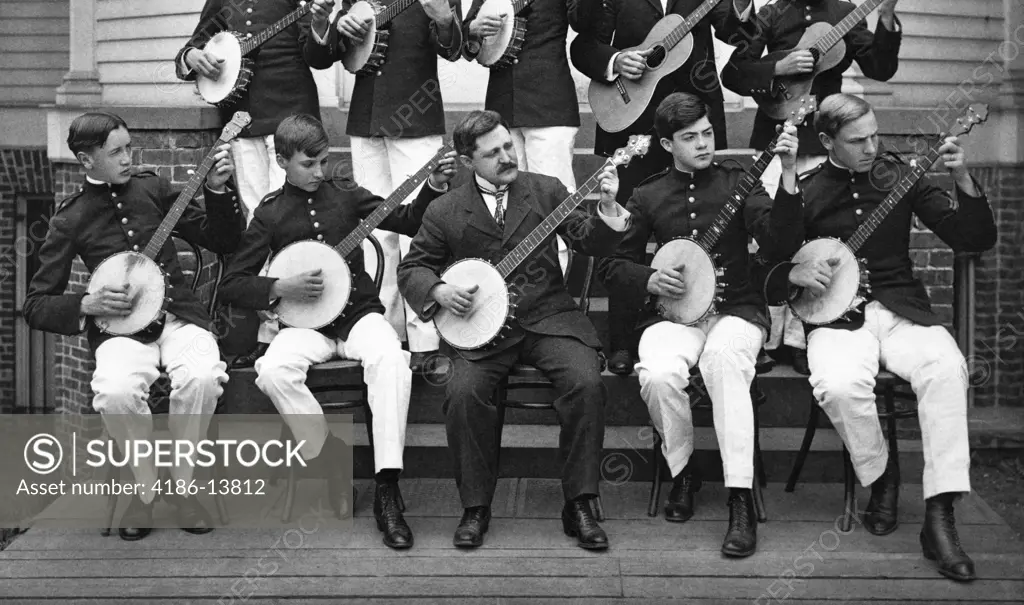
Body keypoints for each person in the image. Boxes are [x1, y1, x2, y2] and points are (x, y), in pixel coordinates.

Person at [762, 93, 996, 583]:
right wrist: (786, 184)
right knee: (839, 386)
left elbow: (972, 238)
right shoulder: (807, 188)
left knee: (946, 368)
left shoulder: (899, 177)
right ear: (826, 142)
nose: (871, 147)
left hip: (902, 311)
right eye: (857, 140)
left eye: (875, 135)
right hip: (838, 321)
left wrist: (961, 178)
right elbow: (777, 259)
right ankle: (881, 476)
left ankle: (940, 515)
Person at [217, 114, 456, 550]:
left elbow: (405, 219)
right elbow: (233, 282)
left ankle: (388, 487)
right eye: (309, 164)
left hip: (357, 315)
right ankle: (328, 463)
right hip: (304, 326)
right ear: (282, 159)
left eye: (324, 161)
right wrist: (278, 288)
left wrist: (434, 185)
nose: (319, 172)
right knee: (272, 371)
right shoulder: (270, 213)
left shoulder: (345, 194)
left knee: (390, 359)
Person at [397, 110, 630, 551]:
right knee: (464, 394)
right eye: (493, 152)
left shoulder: (547, 190)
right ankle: (476, 506)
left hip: (549, 320)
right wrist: (440, 290)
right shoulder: (445, 209)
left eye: (508, 145)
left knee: (585, 382)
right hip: (482, 333)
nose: (507, 156)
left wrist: (607, 209)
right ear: (467, 161)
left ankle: (579, 502)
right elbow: (413, 268)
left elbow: (588, 240)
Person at [598, 93, 802, 558]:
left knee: (724, 359)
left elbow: (779, 242)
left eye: (707, 133)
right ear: (667, 144)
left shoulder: (740, 180)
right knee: (659, 373)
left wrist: (788, 175)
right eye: (690, 138)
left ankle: (739, 496)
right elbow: (614, 266)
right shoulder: (648, 194)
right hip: (674, 315)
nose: (704, 144)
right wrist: (650, 278)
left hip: (736, 311)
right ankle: (683, 471)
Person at [23, 112, 243, 541]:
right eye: (116, 152)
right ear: (86, 161)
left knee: (202, 376)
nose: (128, 158)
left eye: (129, 148)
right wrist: (85, 302)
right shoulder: (70, 219)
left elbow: (225, 241)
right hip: (119, 331)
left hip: (179, 319)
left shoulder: (152, 189)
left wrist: (218, 190)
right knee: (116, 392)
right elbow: (35, 305)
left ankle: (181, 486)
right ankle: (143, 491)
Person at [569, 0, 758, 375]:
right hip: (630, 125)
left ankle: (707, 323)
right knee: (622, 239)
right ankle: (620, 342)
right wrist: (616, 61)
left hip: (691, 128)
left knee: (701, 229)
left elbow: (741, 38)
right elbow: (583, 44)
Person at [722, 0, 904, 373]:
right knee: (773, 233)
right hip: (777, 137)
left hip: (827, 140)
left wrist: (887, 15)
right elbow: (734, 72)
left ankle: (807, 335)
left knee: (817, 232)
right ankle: (768, 335)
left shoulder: (843, 12)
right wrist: (776, 68)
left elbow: (881, 68)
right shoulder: (773, 14)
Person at [174, 0, 337, 365]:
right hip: (242, 122)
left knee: (296, 218)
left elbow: (318, 57)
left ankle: (308, 318)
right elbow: (190, 51)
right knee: (253, 221)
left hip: (291, 118)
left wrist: (323, 27)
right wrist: (193, 57)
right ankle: (269, 329)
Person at [309, 0, 463, 373]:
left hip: (416, 121)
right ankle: (386, 334)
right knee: (376, 232)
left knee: (424, 229)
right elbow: (324, 56)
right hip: (367, 120)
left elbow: (455, 49)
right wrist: (325, 27)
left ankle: (425, 340)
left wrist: (443, 17)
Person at [462, 0, 603, 192]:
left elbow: (583, 21)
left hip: (550, 100)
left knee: (552, 192)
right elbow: (467, 41)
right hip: (502, 104)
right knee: (507, 197)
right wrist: (473, 29)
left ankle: (563, 246)